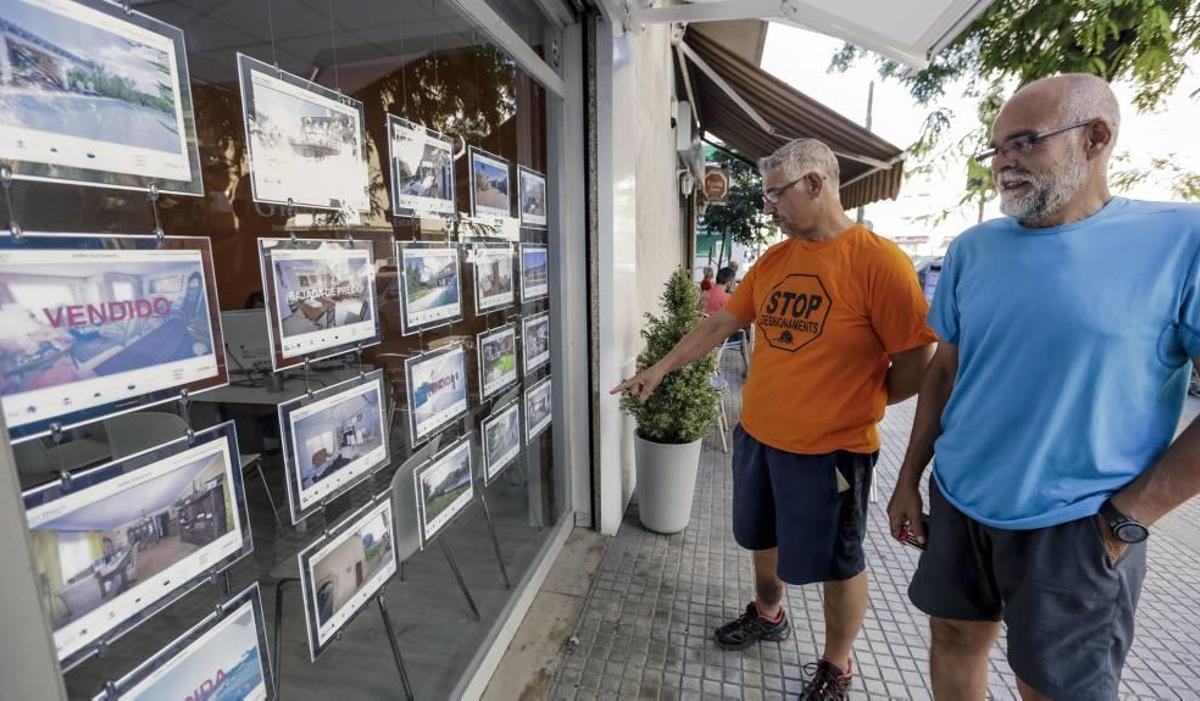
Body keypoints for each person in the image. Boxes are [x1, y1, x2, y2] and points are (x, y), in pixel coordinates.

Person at [888, 74, 1200, 700]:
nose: (1003, 162)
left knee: (1051, 689)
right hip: (960, 496)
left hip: (1079, 522)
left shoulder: (1180, 241)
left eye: (1025, 142)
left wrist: (1126, 521)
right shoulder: (973, 249)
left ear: (1097, 138)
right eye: (996, 148)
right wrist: (907, 478)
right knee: (951, 637)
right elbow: (945, 370)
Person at [613, 138, 936, 699]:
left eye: (775, 195)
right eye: (766, 197)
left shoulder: (879, 262)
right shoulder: (775, 261)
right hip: (759, 438)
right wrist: (661, 367)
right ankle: (769, 615)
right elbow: (718, 327)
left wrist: (864, 397)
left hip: (834, 452)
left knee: (839, 562)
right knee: (762, 537)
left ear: (816, 184)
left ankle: (837, 665)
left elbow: (916, 360)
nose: (769, 208)